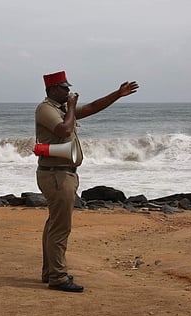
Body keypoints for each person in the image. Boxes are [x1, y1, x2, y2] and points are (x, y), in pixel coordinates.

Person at [35, 70, 139, 293]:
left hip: (62, 173)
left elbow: (91, 108)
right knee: (60, 228)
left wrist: (117, 94)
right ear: (53, 89)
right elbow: (64, 130)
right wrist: (72, 108)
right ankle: (58, 278)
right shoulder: (46, 109)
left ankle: (51, 271)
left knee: (54, 223)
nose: (69, 91)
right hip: (56, 175)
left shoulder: (60, 108)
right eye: (65, 88)